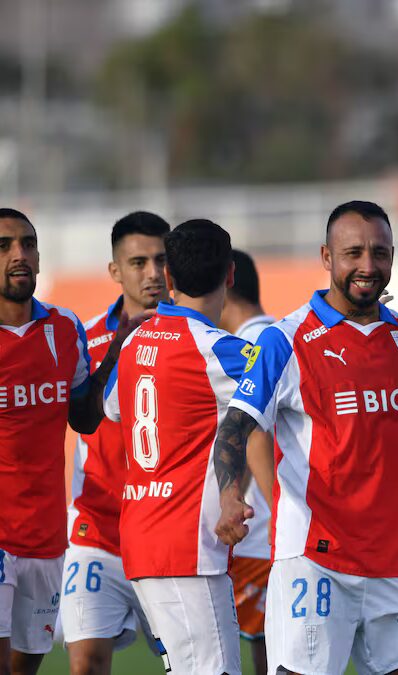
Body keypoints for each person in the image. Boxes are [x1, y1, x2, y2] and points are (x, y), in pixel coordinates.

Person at [213, 201, 398, 675]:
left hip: (393, 562)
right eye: (353, 252)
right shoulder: (287, 339)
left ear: (394, 256)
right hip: (316, 559)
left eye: (379, 253)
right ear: (326, 257)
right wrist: (231, 496)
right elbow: (235, 427)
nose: (367, 266)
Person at [103, 219, 250, 675]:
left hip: (142, 535)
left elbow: (112, 409)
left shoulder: (133, 344)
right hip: (186, 543)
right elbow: (278, 374)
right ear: (229, 275)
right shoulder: (217, 350)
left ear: (168, 278)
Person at [0, 208, 129, 675]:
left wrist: (113, 355)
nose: (20, 255)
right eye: (5, 246)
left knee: (24, 666)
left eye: (28, 244)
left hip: (47, 534)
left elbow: (84, 419)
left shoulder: (64, 327)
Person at [61, 211, 169, 675]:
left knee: (186, 665)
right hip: (96, 531)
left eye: (161, 260)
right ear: (114, 271)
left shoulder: (198, 336)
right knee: (86, 663)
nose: (152, 274)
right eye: (139, 262)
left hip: (167, 533)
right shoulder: (83, 339)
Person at [218, 249, 276, 675]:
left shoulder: (249, 347)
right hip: (284, 530)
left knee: (271, 653)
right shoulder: (282, 333)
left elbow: (256, 431)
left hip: (266, 537)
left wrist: (279, 509)